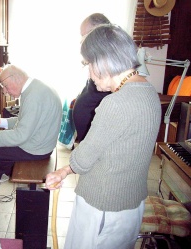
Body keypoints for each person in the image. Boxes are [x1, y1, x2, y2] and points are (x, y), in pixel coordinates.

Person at [45, 24, 161, 249]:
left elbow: (83, 160)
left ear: (103, 61)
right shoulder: (150, 93)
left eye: (88, 64)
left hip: (103, 207)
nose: (89, 72)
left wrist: (63, 170)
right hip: (130, 205)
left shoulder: (115, 103)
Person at [0, 64, 62, 218]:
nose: (5, 91)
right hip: (39, 141)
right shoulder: (34, 88)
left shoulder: (34, 96)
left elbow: (21, 136)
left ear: (15, 79)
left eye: (5, 86)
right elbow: (23, 121)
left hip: (36, 149)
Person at [72, 13, 112, 142]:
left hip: (95, 140)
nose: (81, 40)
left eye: (84, 35)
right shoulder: (98, 57)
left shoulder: (110, 61)